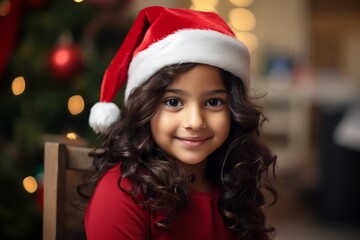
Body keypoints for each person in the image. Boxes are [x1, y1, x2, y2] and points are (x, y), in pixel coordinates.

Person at [83, 5, 277, 240]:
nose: (195, 122)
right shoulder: (122, 194)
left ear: (233, 109)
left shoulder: (235, 181)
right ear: (146, 109)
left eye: (214, 102)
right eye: (174, 102)